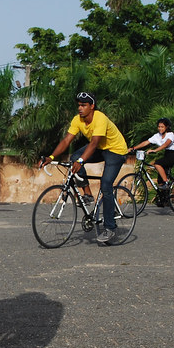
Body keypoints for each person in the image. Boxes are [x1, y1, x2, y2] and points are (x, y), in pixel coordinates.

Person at [39, 92, 129, 243]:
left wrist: (81, 161)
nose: (80, 108)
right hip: (100, 149)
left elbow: (94, 143)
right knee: (74, 157)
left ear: (92, 106)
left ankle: (110, 228)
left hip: (116, 151)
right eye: (79, 105)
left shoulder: (100, 118)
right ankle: (87, 193)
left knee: (106, 185)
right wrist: (51, 157)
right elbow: (66, 140)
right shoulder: (78, 119)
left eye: (83, 105)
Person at [128, 117, 174, 192]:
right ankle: (163, 196)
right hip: (167, 154)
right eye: (159, 127)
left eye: (162, 127)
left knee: (157, 164)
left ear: (167, 127)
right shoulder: (157, 136)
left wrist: (155, 150)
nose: (160, 128)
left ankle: (167, 182)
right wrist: (133, 148)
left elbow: (165, 145)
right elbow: (146, 142)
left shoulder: (170, 135)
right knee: (160, 182)